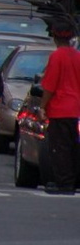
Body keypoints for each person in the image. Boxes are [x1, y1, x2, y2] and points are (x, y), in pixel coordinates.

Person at [38, 20, 80, 194]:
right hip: (76, 108)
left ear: (54, 36)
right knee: (73, 147)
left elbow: (49, 86)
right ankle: (72, 180)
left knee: (59, 148)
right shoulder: (77, 56)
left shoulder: (56, 57)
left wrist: (42, 107)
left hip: (60, 108)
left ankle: (64, 182)